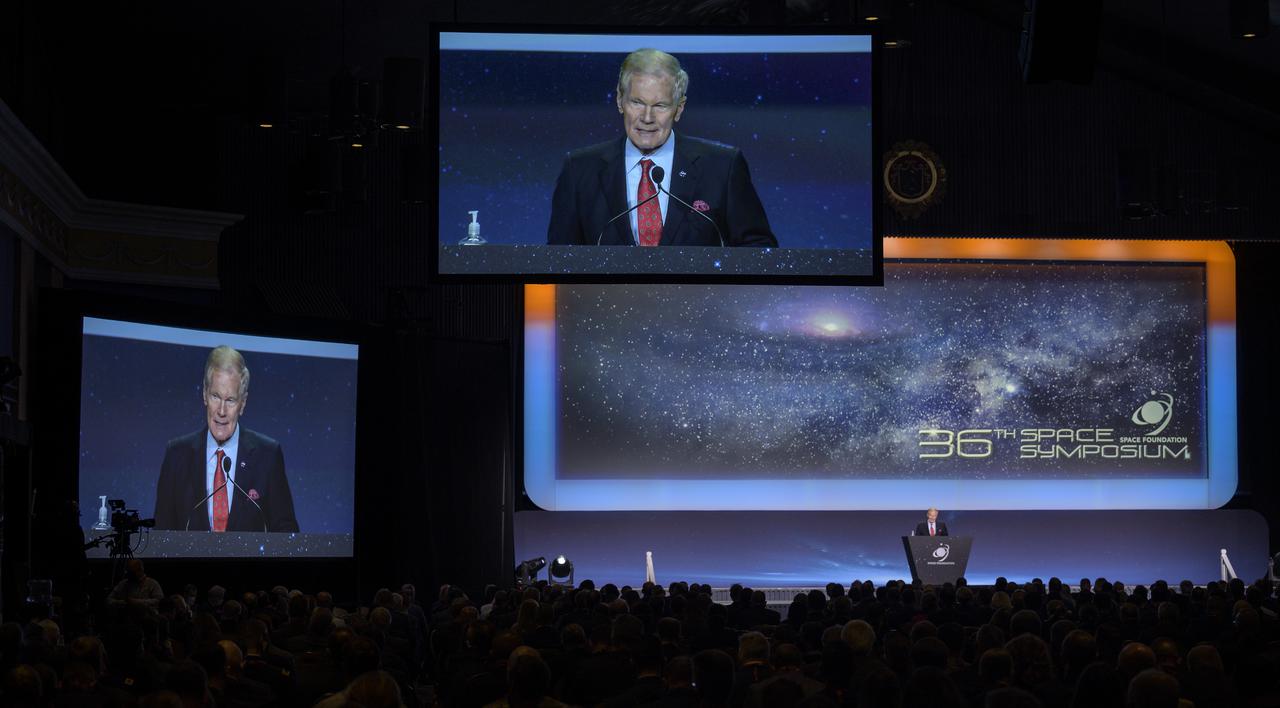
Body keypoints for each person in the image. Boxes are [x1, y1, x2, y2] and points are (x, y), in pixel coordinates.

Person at [547, 48, 777, 248]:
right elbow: (558, 259)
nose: (647, 118)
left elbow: (758, 250)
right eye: (637, 103)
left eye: (660, 105)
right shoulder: (579, 169)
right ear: (619, 101)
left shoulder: (722, 166)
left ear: (679, 108)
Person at [153, 345, 299, 532]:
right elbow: (161, 531)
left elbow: (286, 532)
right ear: (205, 394)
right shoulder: (176, 455)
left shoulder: (268, 455)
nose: (221, 411)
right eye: (215, 396)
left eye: (230, 400)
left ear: (243, 403)